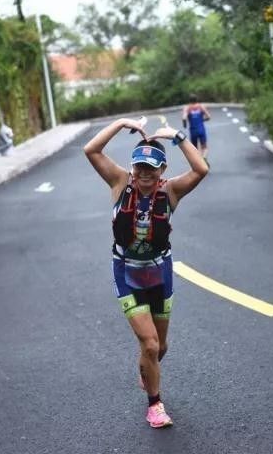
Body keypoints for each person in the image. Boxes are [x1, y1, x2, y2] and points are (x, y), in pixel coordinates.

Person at [83, 117, 209, 428]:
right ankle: (154, 405)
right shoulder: (119, 183)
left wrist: (177, 136)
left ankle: (146, 369)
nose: (144, 174)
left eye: (151, 169)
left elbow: (201, 170)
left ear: (162, 171)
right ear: (133, 167)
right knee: (150, 344)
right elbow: (91, 149)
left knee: (159, 347)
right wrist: (122, 123)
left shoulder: (171, 192)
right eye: (139, 167)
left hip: (159, 274)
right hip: (127, 273)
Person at [182, 94, 211, 164]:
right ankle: (204, 157)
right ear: (197, 100)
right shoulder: (201, 107)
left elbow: (184, 118)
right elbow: (208, 117)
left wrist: (185, 125)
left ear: (189, 100)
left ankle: (199, 163)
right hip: (201, 129)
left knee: (195, 149)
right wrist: (201, 120)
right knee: (204, 147)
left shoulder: (187, 108)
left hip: (193, 130)